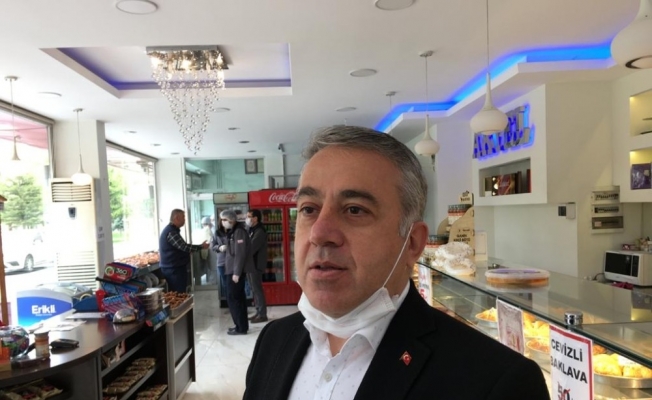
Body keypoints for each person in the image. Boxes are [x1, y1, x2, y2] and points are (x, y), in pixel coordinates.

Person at [244, 127, 550, 400]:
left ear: (412, 243)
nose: (320, 234)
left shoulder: (498, 383)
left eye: (354, 210)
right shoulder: (273, 342)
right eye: (309, 209)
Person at [219, 209, 254, 335]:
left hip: (235, 271)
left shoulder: (239, 232)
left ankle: (241, 327)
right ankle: (240, 325)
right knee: (236, 298)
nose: (222, 222)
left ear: (231, 220)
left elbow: (240, 254)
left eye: (224, 220)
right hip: (231, 269)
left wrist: (236, 273)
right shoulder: (233, 231)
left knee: (235, 298)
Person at [159, 209, 208, 293]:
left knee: (180, 292)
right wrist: (201, 247)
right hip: (173, 269)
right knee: (178, 293)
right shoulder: (171, 232)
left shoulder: (173, 230)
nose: (185, 220)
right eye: (183, 217)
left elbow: (181, 247)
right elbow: (184, 247)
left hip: (175, 267)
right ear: (177, 218)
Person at [246, 209, 268, 323]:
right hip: (251, 264)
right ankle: (258, 311)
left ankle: (262, 314)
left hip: (256, 264)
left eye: (249, 216)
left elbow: (252, 248)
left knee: (257, 289)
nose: (247, 219)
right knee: (254, 289)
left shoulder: (259, 231)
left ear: (255, 218)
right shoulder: (252, 230)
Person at [211, 216, 229, 296]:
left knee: (233, 284)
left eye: (226, 220)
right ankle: (228, 301)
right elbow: (212, 246)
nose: (225, 222)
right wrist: (219, 247)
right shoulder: (217, 233)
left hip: (232, 262)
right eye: (223, 220)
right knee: (225, 284)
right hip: (222, 262)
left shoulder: (234, 231)